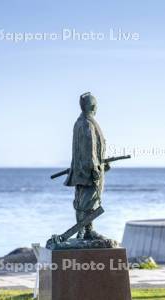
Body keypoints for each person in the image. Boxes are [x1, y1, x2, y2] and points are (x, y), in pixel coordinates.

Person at [64, 92, 109, 240]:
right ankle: (82, 231)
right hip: (87, 171)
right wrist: (95, 167)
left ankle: (88, 230)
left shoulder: (80, 122)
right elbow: (89, 148)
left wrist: (103, 162)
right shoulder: (87, 123)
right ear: (93, 106)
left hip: (82, 169)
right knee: (84, 202)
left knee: (89, 202)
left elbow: (92, 149)